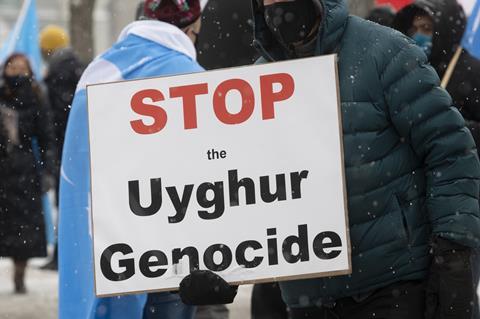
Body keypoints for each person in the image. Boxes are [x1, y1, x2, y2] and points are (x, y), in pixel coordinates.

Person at [179, 0, 480, 318]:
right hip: (309, 299)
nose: (276, 6)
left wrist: (454, 250)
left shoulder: (383, 52)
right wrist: (222, 266)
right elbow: (246, 190)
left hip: (393, 286)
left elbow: (449, 151)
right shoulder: (256, 83)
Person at [59, 0, 205, 318]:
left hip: (114, 248)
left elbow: (81, 166)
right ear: (193, 26)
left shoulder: (100, 70)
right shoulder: (192, 77)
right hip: (176, 247)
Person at [0, 53, 56, 294]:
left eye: (21, 67)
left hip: (24, 169)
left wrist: (48, 169)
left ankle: (19, 274)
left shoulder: (35, 95)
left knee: (23, 228)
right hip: (2, 168)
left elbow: (45, 134)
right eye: (13, 66)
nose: (16, 71)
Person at [393, 0, 480, 152]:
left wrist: (453, 127)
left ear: (446, 31)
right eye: (414, 29)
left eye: (426, 29)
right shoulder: (408, 71)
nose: (418, 36)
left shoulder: (473, 72)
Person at [39, 24, 84, 271]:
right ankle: (63, 255)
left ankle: (62, 256)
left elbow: (57, 114)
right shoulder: (74, 66)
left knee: (65, 202)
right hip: (70, 145)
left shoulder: (59, 70)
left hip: (64, 146)